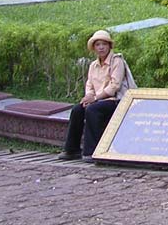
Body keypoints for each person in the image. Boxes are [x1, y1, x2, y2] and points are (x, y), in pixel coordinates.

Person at [58, 29, 135, 162]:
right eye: (98, 45)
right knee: (77, 109)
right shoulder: (93, 65)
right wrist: (89, 97)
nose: (101, 47)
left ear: (109, 46)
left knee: (92, 110)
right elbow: (90, 85)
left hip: (115, 100)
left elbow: (114, 86)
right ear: (94, 47)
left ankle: (92, 150)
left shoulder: (117, 61)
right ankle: (72, 149)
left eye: (104, 44)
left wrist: (95, 98)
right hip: (98, 100)